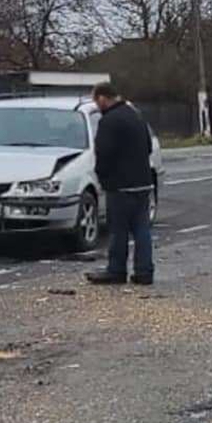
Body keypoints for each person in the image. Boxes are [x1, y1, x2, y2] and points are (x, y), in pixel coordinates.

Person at [86, 82, 155, 286]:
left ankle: (116, 271)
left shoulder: (109, 121)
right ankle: (144, 272)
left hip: (120, 185)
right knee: (142, 230)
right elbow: (149, 146)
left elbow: (104, 154)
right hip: (142, 183)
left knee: (118, 231)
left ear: (102, 98)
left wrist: (102, 177)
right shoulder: (136, 115)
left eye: (96, 101)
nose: (97, 106)